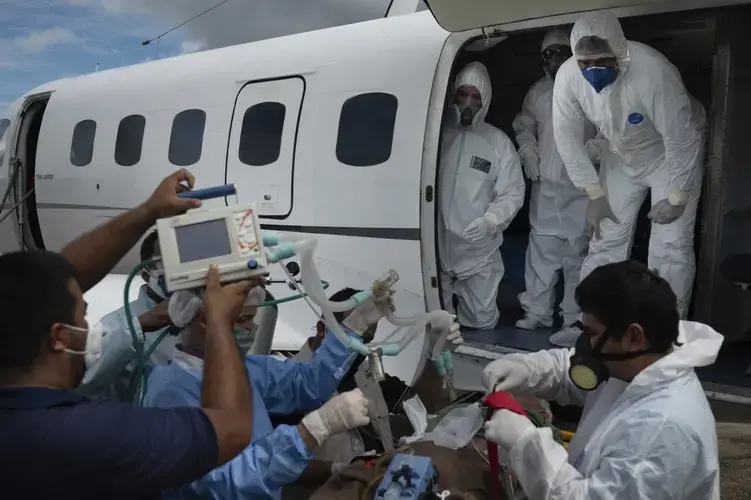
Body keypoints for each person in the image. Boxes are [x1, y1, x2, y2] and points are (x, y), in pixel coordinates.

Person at [0, 170, 262, 499]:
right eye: (83, 317)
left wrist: (149, 211)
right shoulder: (91, 436)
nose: (90, 327)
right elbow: (231, 429)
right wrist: (221, 322)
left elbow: (47, 282)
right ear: (59, 338)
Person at [482, 261, 722, 499]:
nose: (584, 344)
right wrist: (528, 369)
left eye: (591, 334)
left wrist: (526, 444)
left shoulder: (659, 431)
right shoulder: (638, 362)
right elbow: (571, 370)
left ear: (633, 336)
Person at [143, 288, 381, 499]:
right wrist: (310, 432)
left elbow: (309, 383)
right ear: (206, 320)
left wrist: (353, 327)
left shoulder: (248, 368)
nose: (252, 329)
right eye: (244, 319)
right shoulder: (171, 393)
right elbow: (218, 484)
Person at [552, 11, 706, 321]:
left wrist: (678, 196)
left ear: (620, 52)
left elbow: (682, 138)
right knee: (604, 240)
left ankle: (666, 331)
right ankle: (594, 323)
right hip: (621, 154)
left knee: (670, 246)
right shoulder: (568, 76)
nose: (593, 70)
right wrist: (594, 193)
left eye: (604, 61)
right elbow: (566, 141)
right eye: (585, 63)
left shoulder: (653, 71)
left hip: (668, 155)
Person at [285, 287, 464, 463]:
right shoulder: (288, 383)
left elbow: (421, 402)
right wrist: (337, 472)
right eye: (351, 338)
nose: (358, 350)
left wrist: (434, 353)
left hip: (374, 481)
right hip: (330, 489)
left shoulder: (364, 372)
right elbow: (278, 460)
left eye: (365, 341)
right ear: (322, 329)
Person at [513, 29, 598, 332]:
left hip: (580, 186)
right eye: (548, 54)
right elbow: (524, 125)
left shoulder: (591, 87)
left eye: (561, 52)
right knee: (541, 251)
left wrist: (594, 151)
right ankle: (538, 311)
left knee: (578, 253)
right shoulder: (538, 92)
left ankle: (574, 318)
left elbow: (609, 128)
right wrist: (527, 150)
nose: (555, 59)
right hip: (546, 186)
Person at [439, 61, 526, 330]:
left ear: (485, 101)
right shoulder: (436, 136)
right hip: (435, 248)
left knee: (481, 322)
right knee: (437, 325)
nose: (468, 103)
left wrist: (491, 221)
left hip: (478, 251)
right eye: (462, 95)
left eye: (476, 97)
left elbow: (512, 191)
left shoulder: (497, 142)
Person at [77, 231, 177, 401]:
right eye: (166, 261)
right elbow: (83, 384)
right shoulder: (116, 324)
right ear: (146, 274)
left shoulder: (211, 317)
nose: (178, 267)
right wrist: (139, 327)